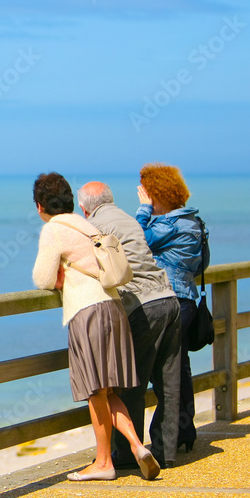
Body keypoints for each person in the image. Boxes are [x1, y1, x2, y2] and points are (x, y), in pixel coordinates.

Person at [31, 172, 159, 481]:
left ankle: (104, 463)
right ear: (72, 201)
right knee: (107, 390)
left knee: (94, 392)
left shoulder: (54, 229)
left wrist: (60, 274)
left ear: (39, 206)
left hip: (87, 312)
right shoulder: (85, 224)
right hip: (114, 307)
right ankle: (138, 446)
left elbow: (43, 279)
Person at [77, 181, 182, 468]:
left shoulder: (93, 226)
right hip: (168, 298)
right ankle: (166, 450)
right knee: (168, 381)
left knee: (129, 383)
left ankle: (126, 455)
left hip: (142, 305)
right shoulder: (127, 218)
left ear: (84, 208)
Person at [135, 164, 209, 453]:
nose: (145, 199)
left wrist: (143, 210)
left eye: (147, 194)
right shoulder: (194, 222)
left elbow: (137, 242)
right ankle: (184, 430)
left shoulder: (170, 224)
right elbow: (203, 265)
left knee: (162, 371)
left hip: (170, 302)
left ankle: (167, 438)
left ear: (157, 193)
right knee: (181, 369)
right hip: (187, 300)